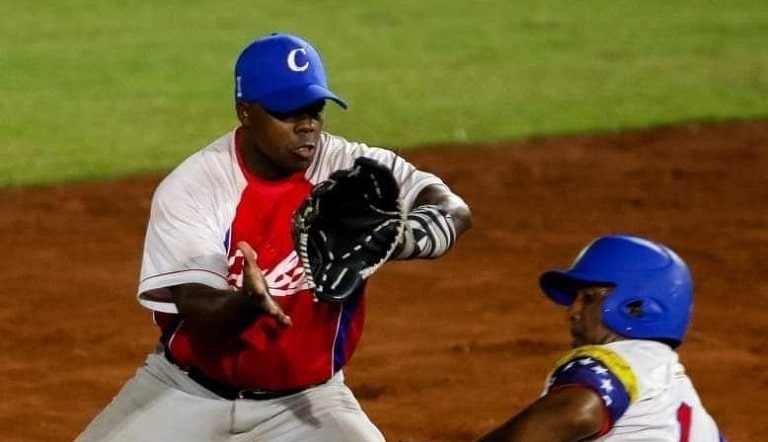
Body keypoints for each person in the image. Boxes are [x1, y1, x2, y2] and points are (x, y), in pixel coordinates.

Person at [75, 32, 472, 442]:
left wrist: (406, 238)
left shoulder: (348, 168)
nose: (307, 126)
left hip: (310, 401)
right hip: (187, 390)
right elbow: (199, 309)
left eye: (316, 110)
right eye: (288, 113)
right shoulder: (195, 186)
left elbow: (452, 207)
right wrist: (249, 303)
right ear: (245, 112)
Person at [474, 234, 726, 442]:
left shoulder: (619, 359)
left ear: (636, 308)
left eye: (589, 298)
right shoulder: (682, 397)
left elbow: (576, 412)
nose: (572, 313)